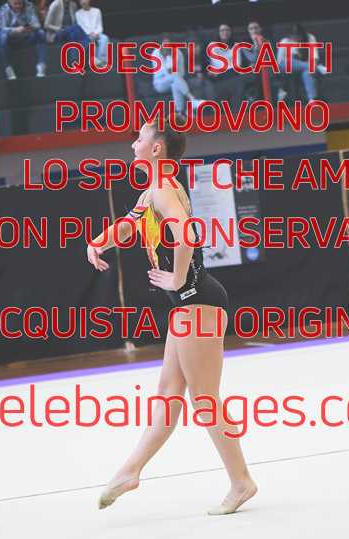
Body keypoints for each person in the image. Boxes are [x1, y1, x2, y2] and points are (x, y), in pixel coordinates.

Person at [86, 118, 258, 516]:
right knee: (168, 393)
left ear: (157, 148)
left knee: (204, 398)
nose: (133, 143)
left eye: (139, 138)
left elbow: (187, 235)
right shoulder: (154, 189)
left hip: (198, 300)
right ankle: (130, 471)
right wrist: (98, 242)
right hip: (188, 304)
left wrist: (178, 278)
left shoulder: (163, 188)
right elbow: (128, 226)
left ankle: (241, 481)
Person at [151, 35, 204, 115]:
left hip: (177, 79)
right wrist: (169, 59)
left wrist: (173, 70)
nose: (167, 47)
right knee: (174, 77)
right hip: (160, 83)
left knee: (175, 83)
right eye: (165, 44)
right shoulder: (155, 53)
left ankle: (179, 112)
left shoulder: (177, 53)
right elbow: (165, 71)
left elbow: (181, 72)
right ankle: (192, 99)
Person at [276, 22, 327, 104]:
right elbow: (280, 62)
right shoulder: (285, 41)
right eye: (294, 36)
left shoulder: (310, 38)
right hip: (286, 66)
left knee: (308, 72)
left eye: (298, 36)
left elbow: (315, 57)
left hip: (304, 67)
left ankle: (312, 99)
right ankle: (317, 68)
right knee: (307, 67)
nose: (296, 38)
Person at [0, 0, 47, 79]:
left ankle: (41, 65)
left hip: (27, 36)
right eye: (15, 4)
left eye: (20, 3)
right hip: (12, 39)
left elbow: (37, 24)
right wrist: (16, 29)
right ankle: (8, 67)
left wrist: (30, 27)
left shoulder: (29, 6)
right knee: (3, 37)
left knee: (41, 33)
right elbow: (2, 28)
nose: (18, 6)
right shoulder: (4, 9)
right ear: (9, 2)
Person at [202, 24, 245, 110]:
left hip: (233, 76)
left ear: (231, 32)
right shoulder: (212, 45)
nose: (225, 32)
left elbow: (237, 64)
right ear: (218, 32)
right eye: (222, 30)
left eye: (227, 30)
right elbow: (215, 64)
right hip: (218, 80)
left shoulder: (236, 46)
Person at [75, 0, 108, 67]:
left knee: (104, 38)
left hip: (97, 33)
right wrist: (89, 34)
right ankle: (94, 61)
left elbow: (100, 26)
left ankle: (102, 61)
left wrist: (96, 33)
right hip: (85, 34)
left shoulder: (97, 11)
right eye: (81, 0)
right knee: (89, 40)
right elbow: (81, 27)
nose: (83, 2)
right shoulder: (78, 13)